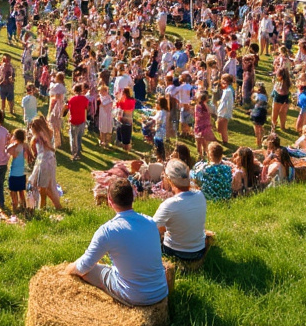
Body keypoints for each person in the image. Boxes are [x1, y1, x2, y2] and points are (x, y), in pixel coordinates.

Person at [65, 178, 169, 308]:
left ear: (109, 201)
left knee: (89, 272)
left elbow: (83, 267)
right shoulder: (150, 222)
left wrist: (67, 270)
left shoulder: (107, 231)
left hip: (135, 297)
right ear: (133, 197)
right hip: (161, 291)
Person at [153, 160, 209, 264]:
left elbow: (150, 228)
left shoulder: (169, 204)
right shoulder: (200, 195)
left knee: (157, 231)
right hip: (199, 250)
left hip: (175, 252)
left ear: (169, 179)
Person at [27, 116, 62, 211]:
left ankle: (43, 208)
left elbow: (45, 143)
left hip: (44, 162)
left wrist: (49, 147)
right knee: (48, 186)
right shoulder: (49, 132)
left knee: (42, 187)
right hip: (48, 160)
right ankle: (54, 206)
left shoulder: (40, 134)